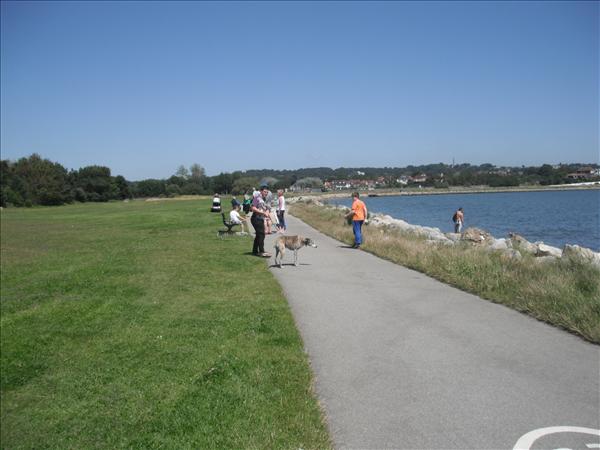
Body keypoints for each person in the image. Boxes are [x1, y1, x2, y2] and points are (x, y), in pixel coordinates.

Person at [250, 186, 271, 257]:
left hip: (260, 219)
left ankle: (255, 251)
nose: (266, 193)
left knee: (259, 235)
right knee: (261, 235)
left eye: (267, 192)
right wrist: (262, 213)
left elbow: (267, 208)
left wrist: (267, 211)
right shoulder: (257, 198)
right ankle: (261, 251)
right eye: (265, 192)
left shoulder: (264, 199)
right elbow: (253, 208)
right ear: (261, 191)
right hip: (255, 218)